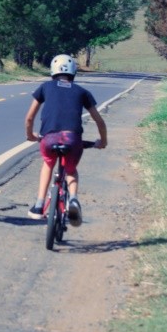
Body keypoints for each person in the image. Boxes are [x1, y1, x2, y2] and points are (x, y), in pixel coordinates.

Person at [24, 54, 107, 226]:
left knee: (48, 164)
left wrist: (30, 135)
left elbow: (29, 118)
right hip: (72, 138)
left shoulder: (45, 87)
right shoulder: (82, 92)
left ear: (53, 71)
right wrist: (103, 141)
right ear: (73, 72)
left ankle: (39, 205)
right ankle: (74, 200)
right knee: (70, 170)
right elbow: (100, 121)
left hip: (49, 138)